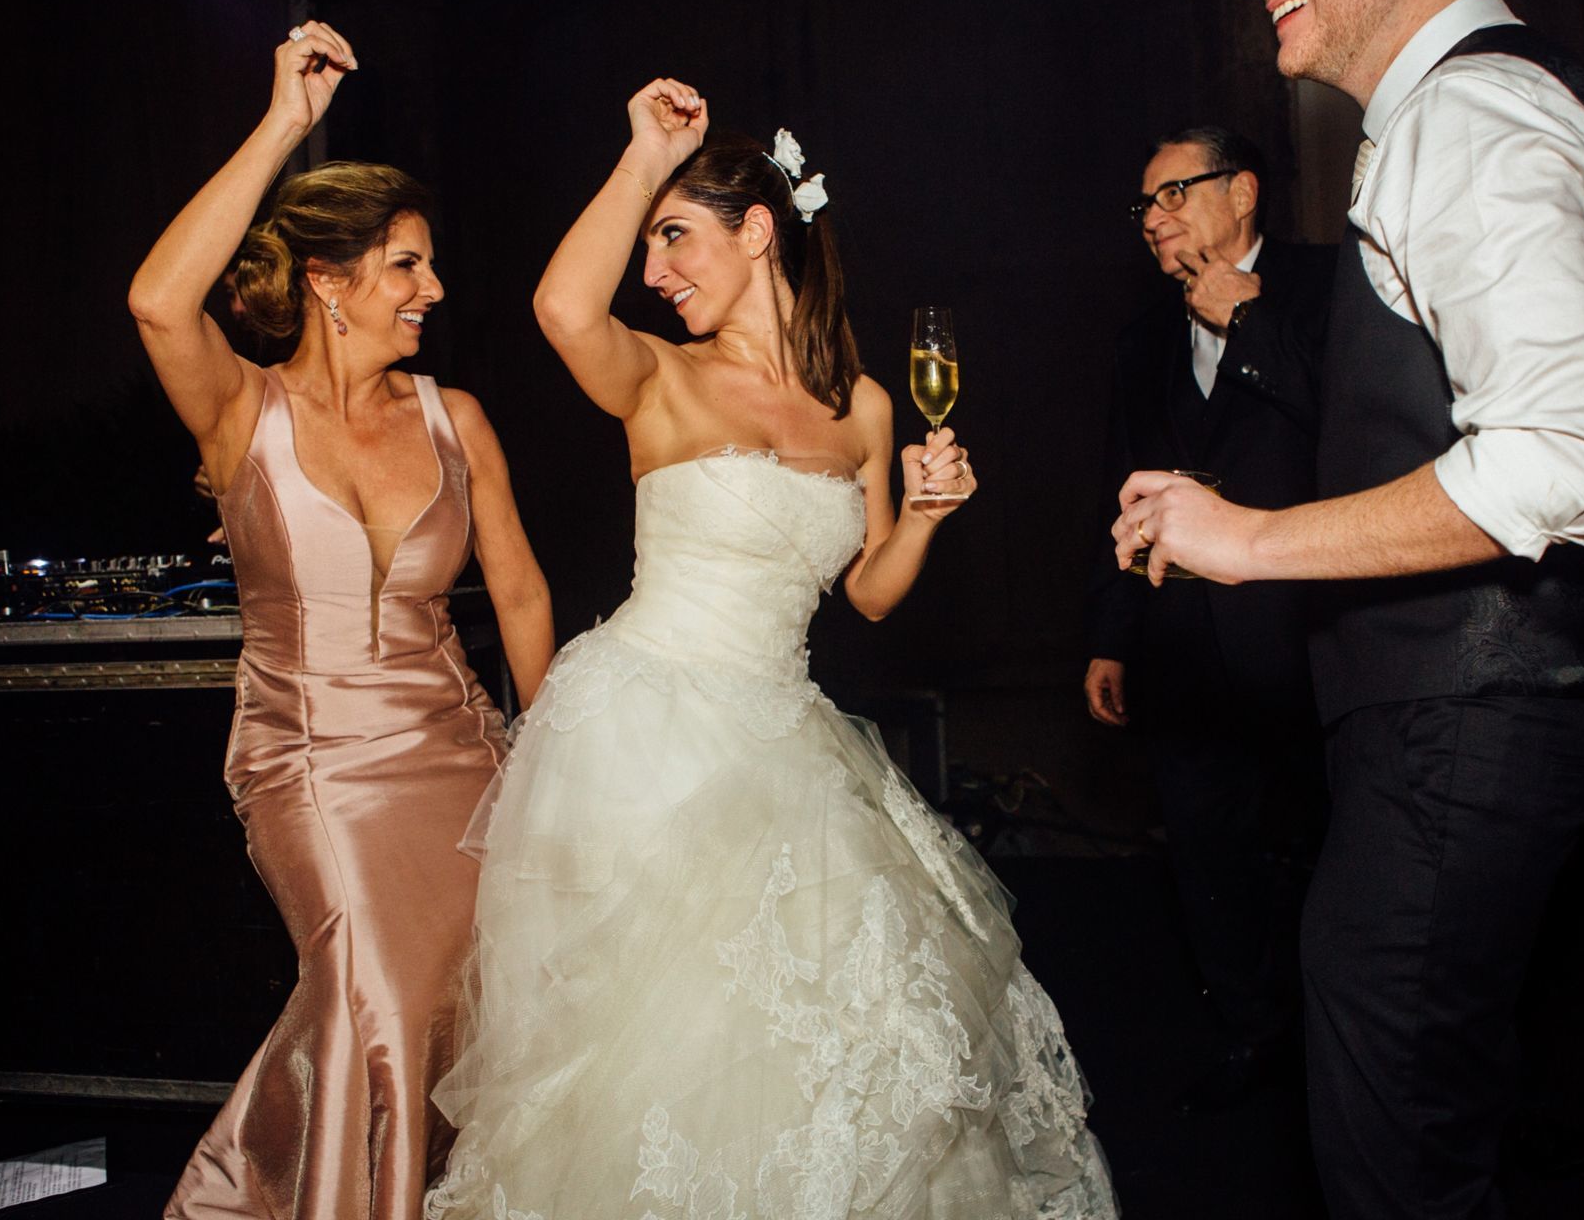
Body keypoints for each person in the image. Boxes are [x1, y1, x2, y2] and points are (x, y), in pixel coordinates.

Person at [425, 79, 1116, 1220]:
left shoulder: (869, 408)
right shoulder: (661, 375)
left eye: (677, 237)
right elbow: (561, 307)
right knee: (665, 1056)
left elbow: (874, 592)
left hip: (790, 742)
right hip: (647, 740)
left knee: (838, 1061)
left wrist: (931, 518)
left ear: (759, 232)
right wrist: (646, 160)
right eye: (650, 247)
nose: (656, 271)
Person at [1116, 0, 1584, 1215]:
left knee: (1396, 1156)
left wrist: (1250, 539)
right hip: (1478, 709)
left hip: (1468, 712)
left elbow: (1566, 456)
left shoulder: (1470, 107)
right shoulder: (1455, 109)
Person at [128, 22, 554, 1220]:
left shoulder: (454, 418)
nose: (434, 288)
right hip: (307, 761)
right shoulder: (240, 415)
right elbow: (160, 301)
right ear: (330, 280)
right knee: (375, 990)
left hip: (461, 753)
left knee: (457, 1011)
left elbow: (518, 591)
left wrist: (547, 751)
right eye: (407, 266)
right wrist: (281, 126)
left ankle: (260, 1186)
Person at [1084, 126, 1332, 1110]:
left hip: (1308, 638)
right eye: (1144, 204)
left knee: (1323, 847)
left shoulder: (1328, 289)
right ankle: (1249, 1033)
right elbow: (1117, 488)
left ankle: (1334, 1046)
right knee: (1207, 852)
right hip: (1179, 644)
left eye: (1175, 192)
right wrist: (1109, 633)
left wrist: (1256, 322)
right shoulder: (1140, 340)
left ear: (1245, 194)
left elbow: (1367, 432)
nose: (1153, 219)